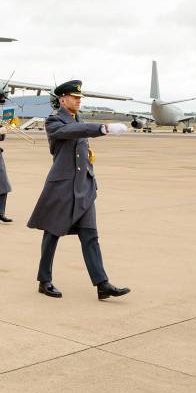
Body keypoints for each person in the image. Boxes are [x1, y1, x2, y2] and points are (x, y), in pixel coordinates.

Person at [27, 80, 130, 300]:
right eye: (75, 97)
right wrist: (103, 128)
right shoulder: (53, 121)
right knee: (52, 233)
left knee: (90, 235)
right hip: (62, 187)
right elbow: (72, 131)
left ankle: (102, 284)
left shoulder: (78, 120)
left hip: (83, 186)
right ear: (63, 99)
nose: (78, 100)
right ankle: (44, 280)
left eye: (80, 97)